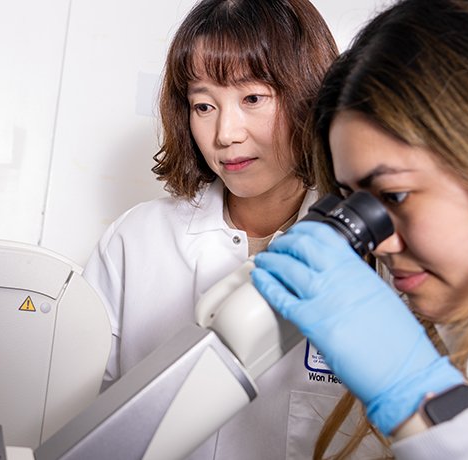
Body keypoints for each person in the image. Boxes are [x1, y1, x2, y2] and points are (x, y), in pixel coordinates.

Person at [251, 0, 468, 458]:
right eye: (355, 200)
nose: (382, 242)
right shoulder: (412, 340)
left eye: (393, 195)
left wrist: (417, 396)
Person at [83, 0, 354, 458]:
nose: (226, 133)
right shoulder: (135, 241)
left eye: (252, 98)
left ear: (311, 95)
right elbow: (82, 415)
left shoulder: (372, 255)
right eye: (204, 105)